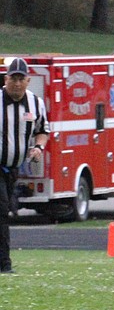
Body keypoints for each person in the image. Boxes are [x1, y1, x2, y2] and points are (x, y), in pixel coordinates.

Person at [0, 58, 49, 273]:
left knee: (5, 213)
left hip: (13, 170)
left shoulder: (35, 103)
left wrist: (38, 147)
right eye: (13, 79)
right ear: (5, 79)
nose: (17, 84)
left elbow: (42, 130)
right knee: (2, 211)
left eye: (21, 79)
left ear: (28, 81)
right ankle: (4, 264)